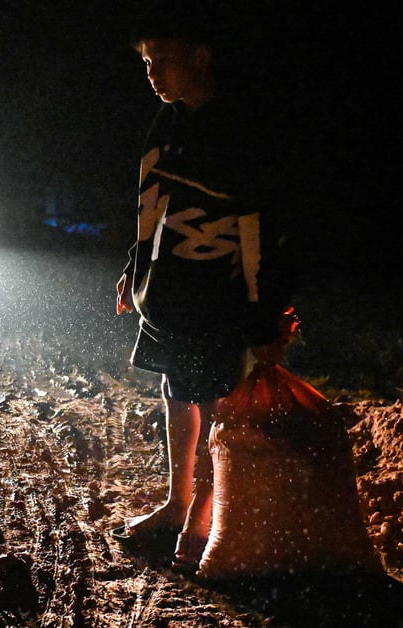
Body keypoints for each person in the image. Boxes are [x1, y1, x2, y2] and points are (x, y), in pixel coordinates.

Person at [112, 1, 292, 570]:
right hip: (170, 288)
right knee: (175, 388)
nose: (152, 73)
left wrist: (266, 318)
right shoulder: (169, 122)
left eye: (160, 59)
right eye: (145, 62)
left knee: (216, 399)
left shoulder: (243, 129)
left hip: (220, 291)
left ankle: (206, 512)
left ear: (199, 56)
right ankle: (177, 499)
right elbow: (152, 205)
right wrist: (135, 270)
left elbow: (265, 228)